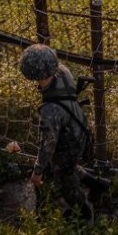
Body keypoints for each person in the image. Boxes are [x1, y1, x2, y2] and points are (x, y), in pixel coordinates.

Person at [19, 43, 106, 221]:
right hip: (79, 124)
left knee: (65, 176)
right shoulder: (63, 71)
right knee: (69, 166)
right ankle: (96, 183)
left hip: (69, 141)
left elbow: (47, 145)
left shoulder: (50, 111)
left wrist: (38, 171)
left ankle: (82, 212)